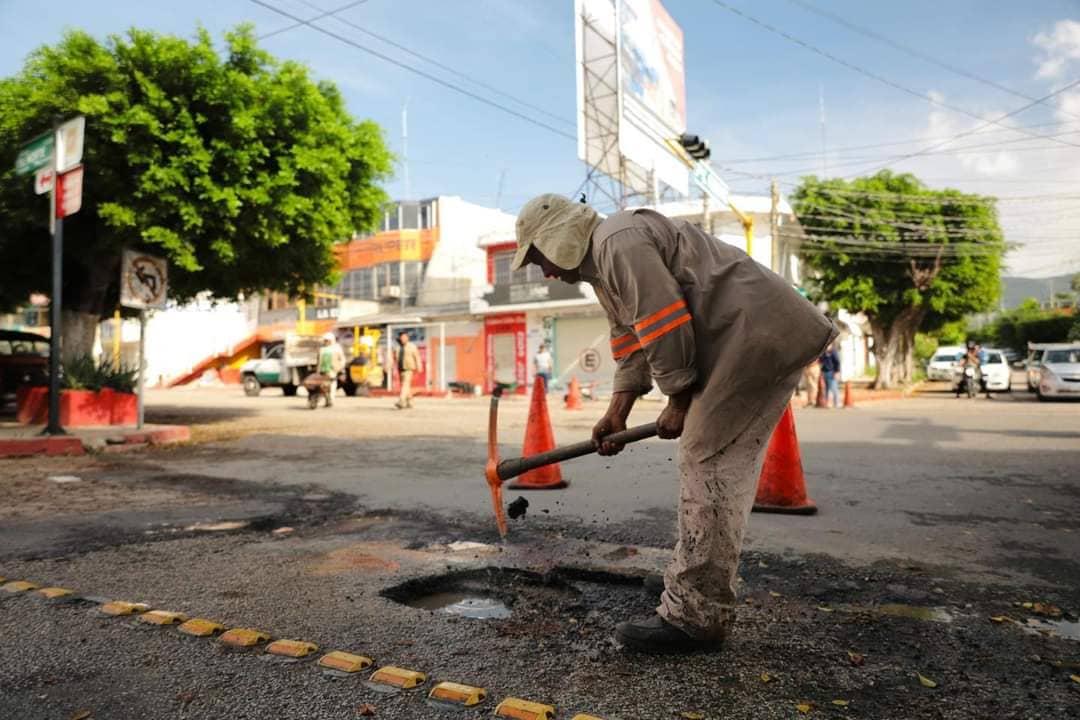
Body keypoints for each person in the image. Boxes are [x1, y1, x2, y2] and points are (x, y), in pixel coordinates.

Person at [511, 193, 836, 654]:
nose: (544, 271)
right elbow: (630, 339)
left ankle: (695, 615)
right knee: (713, 464)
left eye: (540, 256)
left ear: (559, 236)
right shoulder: (605, 262)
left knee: (707, 461)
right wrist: (616, 413)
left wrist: (679, 400)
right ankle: (690, 583)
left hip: (753, 334)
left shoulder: (617, 240)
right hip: (749, 336)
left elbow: (664, 323)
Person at [393, 330, 422, 409]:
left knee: (405, 385)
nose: (403, 339)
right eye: (401, 337)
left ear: (407, 338)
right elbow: (394, 358)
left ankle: (401, 401)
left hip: (409, 369)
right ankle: (410, 402)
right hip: (401, 369)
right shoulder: (398, 347)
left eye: (405, 337)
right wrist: (390, 366)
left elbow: (417, 356)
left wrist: (419, 366)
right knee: (406, 386)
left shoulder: (412, 346)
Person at [317, 333, 346, 407]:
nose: (326, 342)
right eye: (325, 340)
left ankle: (331, 400)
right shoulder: (322, 349)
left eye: (327, 340)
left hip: (332, 370)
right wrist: (318, 370)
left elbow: (342, 359)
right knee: (323, 386)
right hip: (323, 370)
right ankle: (327, 399)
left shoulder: (336, 348)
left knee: (332, 385)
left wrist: (340, 367)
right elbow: (318, 360)